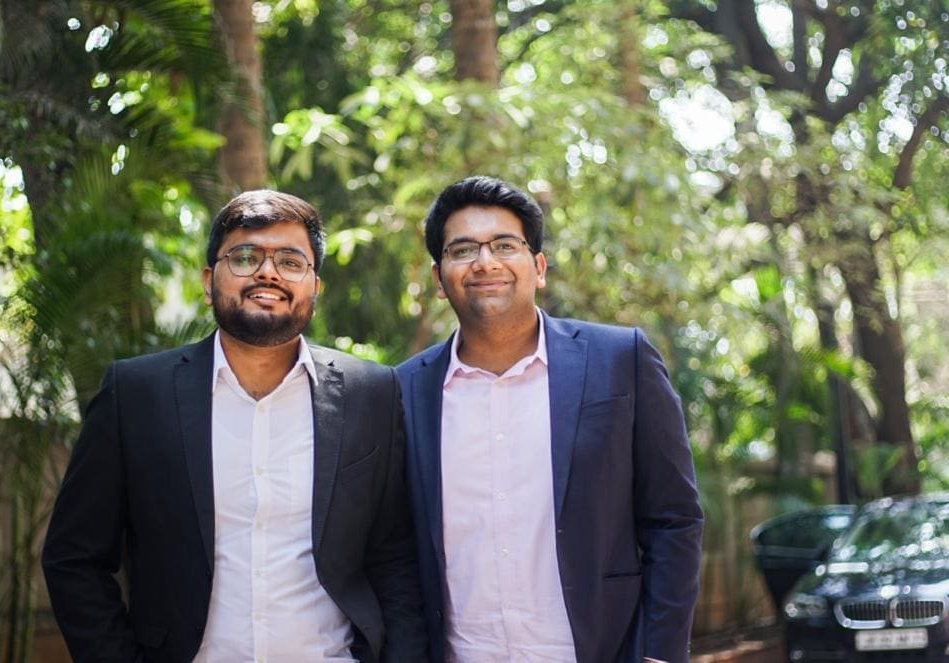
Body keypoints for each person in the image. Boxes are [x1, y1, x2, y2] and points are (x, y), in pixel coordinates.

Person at [42, 190, 427, 663]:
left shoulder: (370, 393)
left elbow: (393, 556)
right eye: (245, 257)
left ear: (315, 286)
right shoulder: (137, 395)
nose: (268, 272)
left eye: (291, 261)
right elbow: (74, 558)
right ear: (209, 282)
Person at [397, 176, 704, 663]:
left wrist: (660, 653)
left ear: (538, 267)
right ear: (438, 279)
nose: (485, 262)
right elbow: (397, 550)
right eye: (463, 250)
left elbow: (674, 519)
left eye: (505, 245)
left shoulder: (620, 360)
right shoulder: (404, 390)